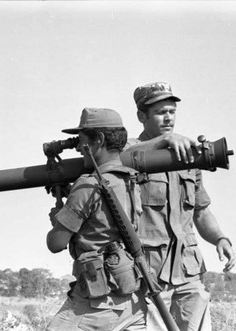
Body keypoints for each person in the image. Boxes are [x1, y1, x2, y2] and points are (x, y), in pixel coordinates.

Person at [127, 81, 236, 331]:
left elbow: (201, 210)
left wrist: (220, 238)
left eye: (172, 111)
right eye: (160, 112)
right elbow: (119, 158)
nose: (168, 118)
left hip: (189, 270)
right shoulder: (130, 152)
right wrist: (163, 141)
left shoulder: (187, 156)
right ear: (141, 116)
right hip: (149, 273)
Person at [46, 107, 148, 331]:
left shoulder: (88, 185)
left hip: (95, 303)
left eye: (82, 141)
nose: (80, 148)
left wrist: (57, 219)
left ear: (98, 140)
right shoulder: (130, 180)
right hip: (131, 299)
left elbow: (56, 243)